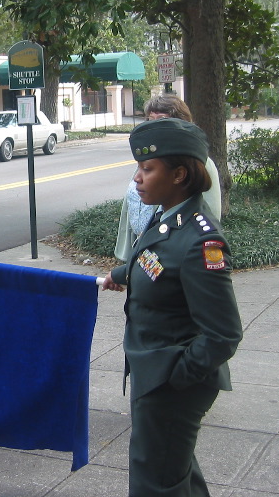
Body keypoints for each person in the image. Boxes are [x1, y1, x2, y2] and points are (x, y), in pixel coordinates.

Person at [101, 118, 242, 496]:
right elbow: (154, 260)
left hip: (169, 380)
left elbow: (223, 334)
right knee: (174, 473)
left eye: (147, 169)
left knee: (155, 482)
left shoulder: (201, 243)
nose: (137, 178)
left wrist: (175, 378)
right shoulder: (167, 218)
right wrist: (120, 272)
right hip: (154, 368)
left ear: (179, 174)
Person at [114, 94, 221, 261]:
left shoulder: (198, 162)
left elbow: (209, 212)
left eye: (162, 119)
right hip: (147, 250)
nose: (154, 125)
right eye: (150, 119)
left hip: (171, 247)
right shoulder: (152, 157)